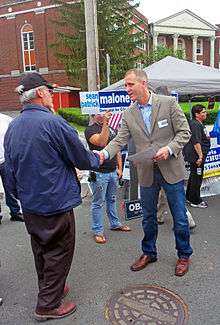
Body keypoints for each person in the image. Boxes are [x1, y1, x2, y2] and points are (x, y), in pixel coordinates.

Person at [4, 73, 100, 321]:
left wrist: (18, 196)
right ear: (38, 93)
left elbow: (10, 169)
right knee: (59, 250)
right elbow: (82, 158)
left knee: (42, 250)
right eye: (48, 91)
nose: (51, 96)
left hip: (31, 204)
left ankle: (51, 289)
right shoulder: (52, 123)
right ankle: (47, 304)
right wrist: (98, 158)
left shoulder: (13, 127)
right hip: (55, 203)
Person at [99, 69, 193, 276]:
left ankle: (184, 254)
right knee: (148, 217)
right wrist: (104, 154)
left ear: (144, 83)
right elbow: (119, 140)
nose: (127, 89)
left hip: (171, 170)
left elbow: (184, 132)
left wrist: (168, 149)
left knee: (179, 217)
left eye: (130, 84)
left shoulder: (168, 103)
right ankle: (149, 252)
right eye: (125, 85)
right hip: (147, 173)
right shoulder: (128, 113)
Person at [84, 112, 130, 244]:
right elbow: (101, 142)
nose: (102, 115)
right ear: (93, 115)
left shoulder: (112, 129)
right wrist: (105, 123)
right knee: (98, 202)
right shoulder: (90, 130)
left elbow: (117, 149)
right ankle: (98, 231)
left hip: (112, 172)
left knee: (112, 199)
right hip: (99, 172)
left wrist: (119, 168)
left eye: (104, 113)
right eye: (99, 114)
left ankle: (115, 223)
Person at [183, 104, 211, 208]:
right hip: (196, 157)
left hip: (197, 156)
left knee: (194, 176)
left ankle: (189, 197)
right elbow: (196, 142)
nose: (205, 114)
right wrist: (200, 156)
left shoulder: (198, 123)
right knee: (197, 178)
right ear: (197, 114)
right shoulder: (195, 125)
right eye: (203, 112)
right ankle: (195, 200)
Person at [0, 113, 23, 224]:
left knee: (10, 186)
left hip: (5, 159)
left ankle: (15, 212)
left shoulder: (6, 119)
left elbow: (15, 136)